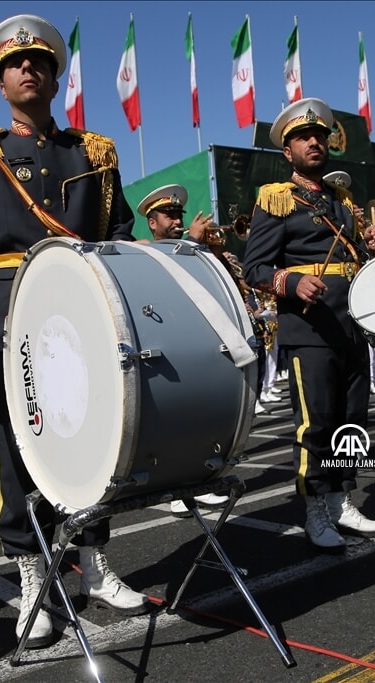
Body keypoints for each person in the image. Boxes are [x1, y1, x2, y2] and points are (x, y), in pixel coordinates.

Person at [0, 14, 148, 647]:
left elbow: (119, 232)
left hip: (90, 313)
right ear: (1, 79)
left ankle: (94, 563)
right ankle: (31, 577)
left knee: (101, 440)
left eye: (40, 61)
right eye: (16, 63)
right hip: (14, 316)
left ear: (55, 75)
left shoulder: (91, 151)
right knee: (22, 449)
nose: (28, 69)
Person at [242, 96, 375, 551]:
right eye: (303, 138)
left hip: (352, 323)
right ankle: (316, 510)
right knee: (316, 423)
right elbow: (256, 268)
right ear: (287, 152)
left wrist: (374, 243)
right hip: (310, 328)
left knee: (352, 421)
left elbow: (357, 261)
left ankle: (344, 500)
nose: (314, 142)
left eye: (320, 136)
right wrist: (292, 283)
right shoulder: (277, 200)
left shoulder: (342, 200)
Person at [136, 184, 232, 518]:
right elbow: (164, 279)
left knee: (196, 415)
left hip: (193, 340)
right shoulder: (140, 248)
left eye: (179, 215)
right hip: (160, 344)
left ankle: (196, 483)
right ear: (152, 221)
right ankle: (170, 489)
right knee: (167, 420)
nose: (177, 220)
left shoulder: (189, 249)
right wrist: (191, 241)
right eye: (169, 215)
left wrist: (215, 253)